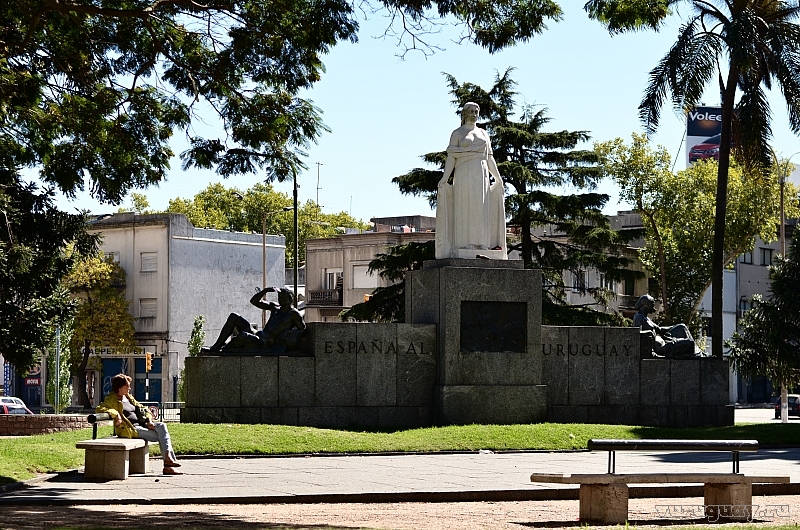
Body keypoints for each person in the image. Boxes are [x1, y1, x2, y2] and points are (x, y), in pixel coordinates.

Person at [435, 101, 507, 260]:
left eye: (476, 111)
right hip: (464, 174)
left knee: (481, 209)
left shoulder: (484, 133)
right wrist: (445, 178)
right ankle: (465, 243)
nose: (474, 114)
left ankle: (482, 244)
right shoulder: (458, 133)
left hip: (481, 175)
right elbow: (452, 157)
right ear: (465, 113)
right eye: (471, 111)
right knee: (465, 207)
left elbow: (490, 158)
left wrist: (498, 178)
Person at [96, 374, 182, 475]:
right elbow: (100, 409)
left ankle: (168, 461)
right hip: (130, 430)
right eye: (127, 386)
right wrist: (116, 415)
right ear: (119, 388)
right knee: (162, 436)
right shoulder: (111, 399)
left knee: (162, 426)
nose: (129, 388)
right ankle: (168, 464)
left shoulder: (128, 397)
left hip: (142, 425)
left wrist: (149, 420)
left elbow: (143, 408)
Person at [206, 286, 306, 353]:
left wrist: (286, 336)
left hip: (264, 343)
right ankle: (216, 347)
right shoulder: (275, 307)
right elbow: (254, 301)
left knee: (243, 336)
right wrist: (265, 291)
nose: (279, 299)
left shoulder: (293, 314)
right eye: (279, 296)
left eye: (282, 297)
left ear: (289, 298)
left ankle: (224, 349)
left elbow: (302, 331)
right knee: (234, 316)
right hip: (257, 334)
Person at [632, 294, 702, 358]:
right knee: (690, 343)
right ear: (646, 305)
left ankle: (698, 354)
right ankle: (698, 355)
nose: (654, 307)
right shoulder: (639, 317)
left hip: (663, 341)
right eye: (652, 304)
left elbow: (659, 329)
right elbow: (637, 334)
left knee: (682, 327)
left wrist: (675, 326)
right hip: (660, 347)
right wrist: (650, 333)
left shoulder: (646, 318)